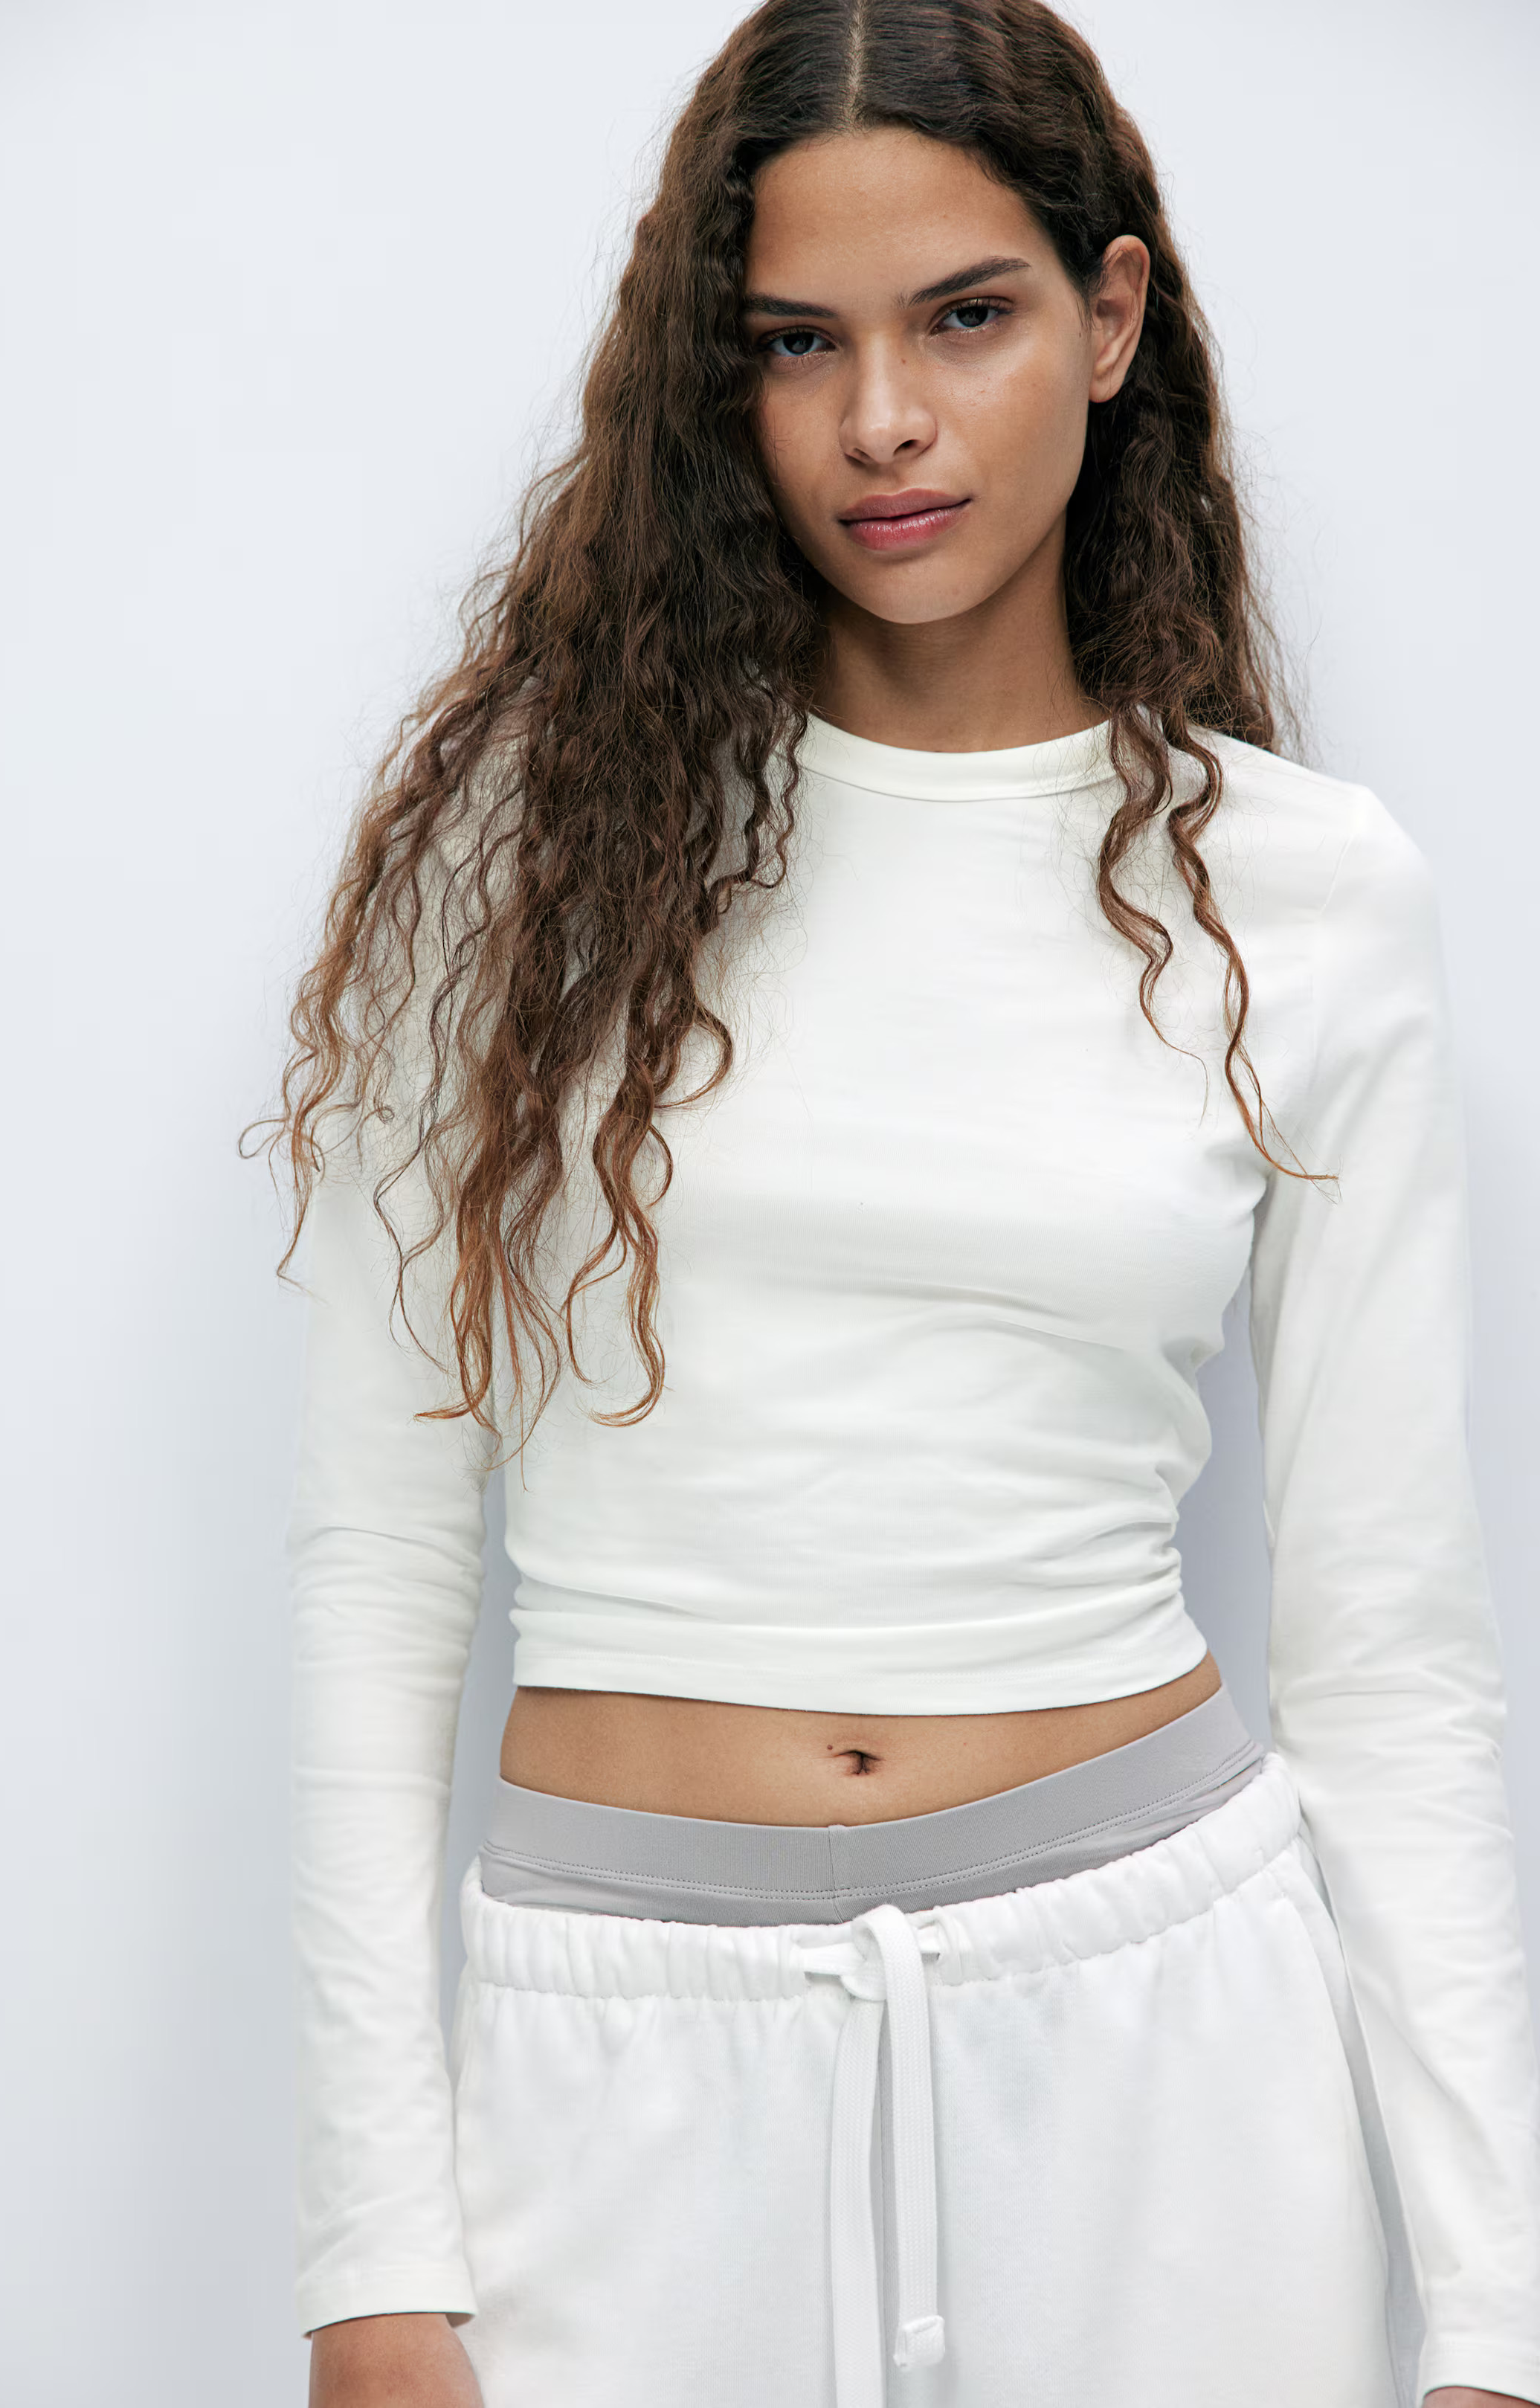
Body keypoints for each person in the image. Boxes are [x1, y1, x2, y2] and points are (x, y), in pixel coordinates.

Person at [260, 3, 1540, 2402]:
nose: (882, 420)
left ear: (1112, 318)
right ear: (715, 380)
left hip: (1170, 2061)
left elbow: (1389, 1643)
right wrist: (372, 2257)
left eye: (966, 315)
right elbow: (377, 1565)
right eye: (795, 342)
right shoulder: (521, 876)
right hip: (624, 2068)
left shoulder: (1306, 895)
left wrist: (1495, 2314)